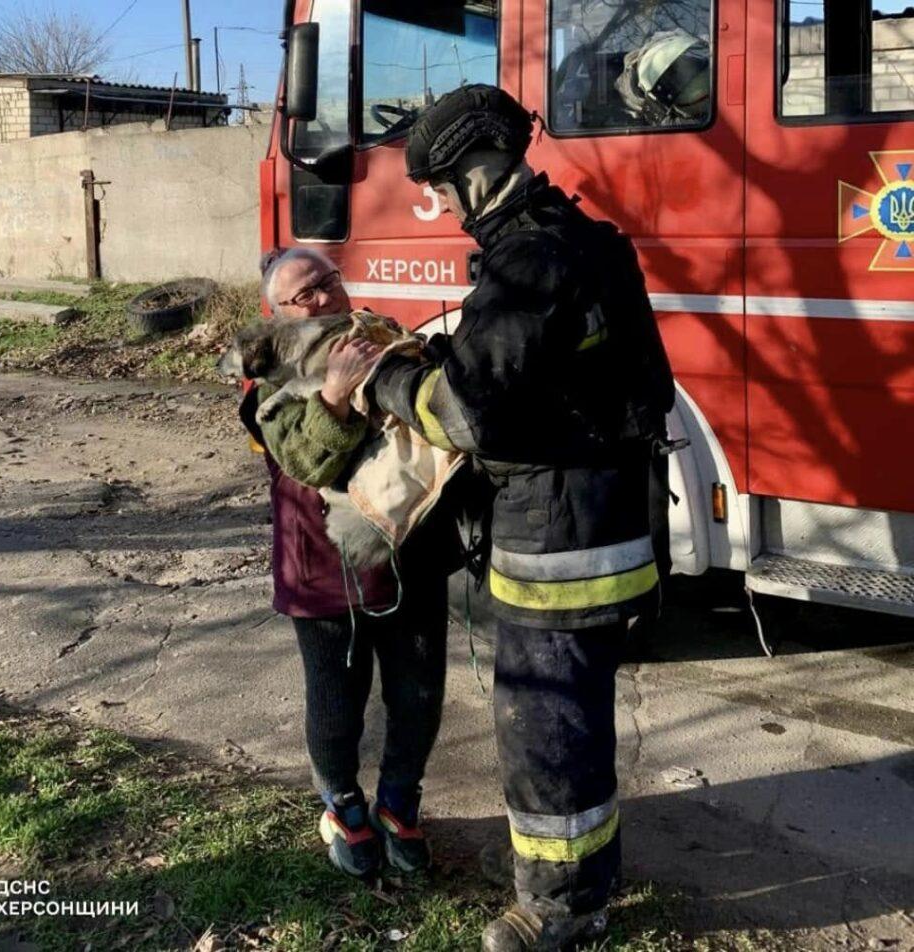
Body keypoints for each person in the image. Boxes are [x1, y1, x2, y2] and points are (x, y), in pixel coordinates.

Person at [366, 84, 674, 949]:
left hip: (558, 541)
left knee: (542, 730)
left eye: (443, 191)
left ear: (471, 175)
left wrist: (384, 382)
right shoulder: (588, 243)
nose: (447, 211)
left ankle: (559, 912)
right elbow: (569, 377)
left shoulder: (529, 258)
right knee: (577, 722)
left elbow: (464, 414)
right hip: (612, 523)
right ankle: (591, 884)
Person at [238, 247, 459, 879]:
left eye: (326, 283)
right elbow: (309, 463)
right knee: (338, 702)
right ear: (276, 311)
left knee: (418, 695)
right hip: (323, 567)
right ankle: (341, 805)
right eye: (301, 296)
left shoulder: (381, 334)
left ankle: (399, 804)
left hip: (407, 558)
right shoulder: (271, 375)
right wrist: (335, 395)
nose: (321, 301)